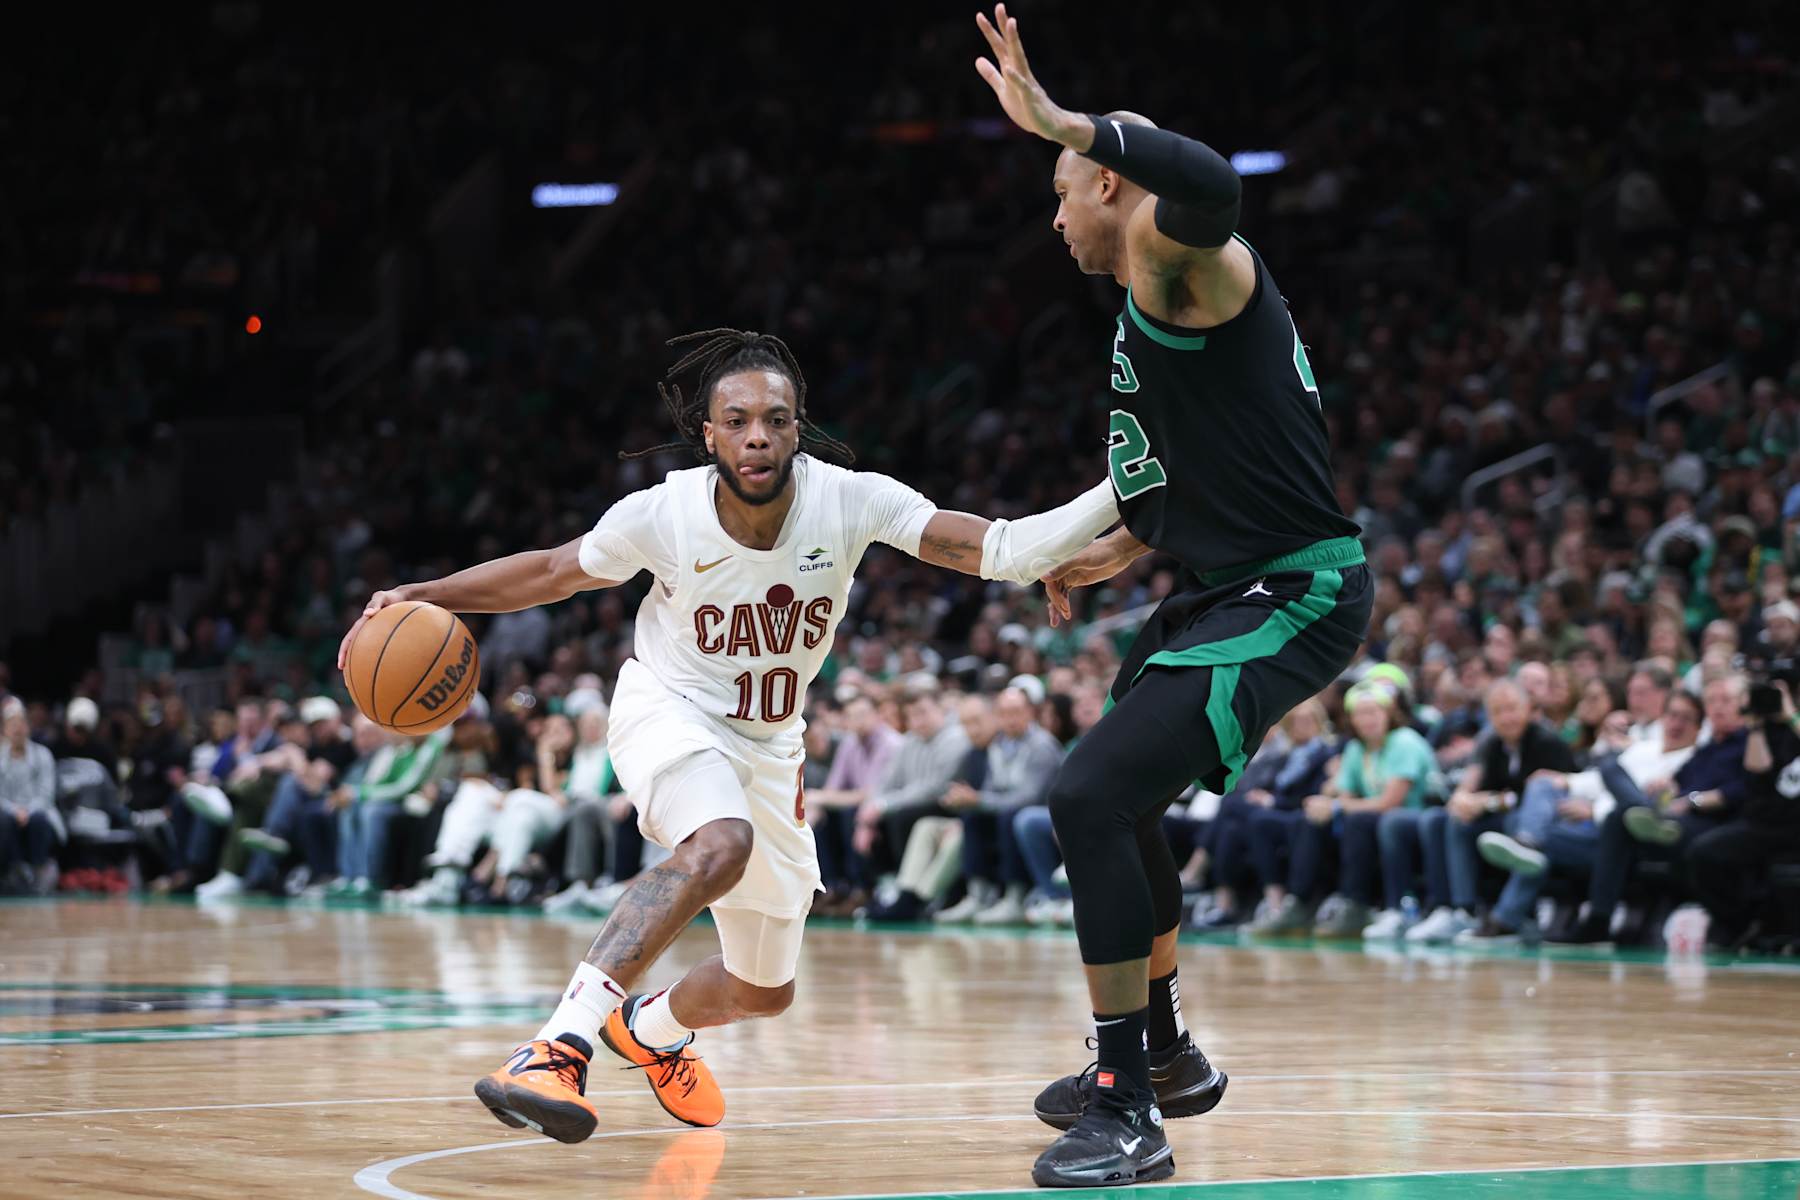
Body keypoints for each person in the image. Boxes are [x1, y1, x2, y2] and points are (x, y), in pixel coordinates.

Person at [340, 326, 1123, 1143]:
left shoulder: (851, 500)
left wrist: (1121, 489)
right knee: (719, 844)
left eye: (776, 419)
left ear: (797, 426)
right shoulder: (663, 513)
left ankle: (647, 1031)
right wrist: (426, 593)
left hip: (770, 743)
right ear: (708, 433)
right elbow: (548, 573)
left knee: (764, 989)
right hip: (668, 706)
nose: (758, 434)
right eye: (739, 419)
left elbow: (1002, 549)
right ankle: (556, 1045)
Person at [974, 7, 1369, 1183]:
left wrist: (1066, 119)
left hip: (1292, 593)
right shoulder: (1153, 299)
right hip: (1219, 585)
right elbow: (1196, 465)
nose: (1051, 219)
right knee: (1123, 803)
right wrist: (1119, 543)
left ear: (1105, 182)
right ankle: (1166, 1054)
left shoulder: (1183, 251)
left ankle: (1125, 1101)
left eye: (1059, 189)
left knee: (1087, 794)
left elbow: (1211, 181)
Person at [1474, 689, 1703, 943]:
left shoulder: (1694, 760)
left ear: (1699, 727)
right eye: (1672, 715)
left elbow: (1669, 806)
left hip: (1618, 835)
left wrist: (1594, 810)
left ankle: (1507, 915)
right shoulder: (1644, 750)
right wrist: (1565, 781)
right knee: (1540, 786)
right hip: (1586, 823)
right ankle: (1528, 843)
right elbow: (1595, 781)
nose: (1676, 724)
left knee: (1528, 825)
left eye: (1686, 718)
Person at [1548, 676, 1751, 945]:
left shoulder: (1749, 742)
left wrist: (1691, 800)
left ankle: (1643, 815)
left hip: (1710, 822)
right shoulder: (1708, 748)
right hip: (1670, 815)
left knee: (1617, 794)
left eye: (1725, 700)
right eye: (1712, 700)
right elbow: (1679, 781)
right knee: (1617, 814)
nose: (1718, 707)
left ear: (1744, 704)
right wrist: (1668, 786)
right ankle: (1599, 919)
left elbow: (1740, 790)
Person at [1424, 679, 1577, 944]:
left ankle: (1508, 918)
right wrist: (1464, 801)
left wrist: (1488, 802)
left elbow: (1543, 801)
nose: (1506, 717)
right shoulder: (1491, 743)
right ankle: (1464, 910)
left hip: (1552, 823)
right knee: (1455, 821)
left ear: (1528, 708)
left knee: (1521, 827)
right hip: (1506, 819)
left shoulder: (1548, 742)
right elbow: (1466, 788)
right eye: (1498, 711)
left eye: (1512, 708)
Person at [936, 687, 1063, 925]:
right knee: (972, 816)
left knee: (1009, 815)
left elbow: (1029, 797)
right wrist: (966, 800)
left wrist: (980, 799)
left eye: (1016, 712)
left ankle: (1014, 897)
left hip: (1044, 818)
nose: (1010, 719)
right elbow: (991, 790)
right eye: (1003, 713)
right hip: (1008, 812)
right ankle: (978, 894)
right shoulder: (997, 745)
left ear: (1030, 713)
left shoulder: (1042, 746)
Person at [1687, 680, 1800, 947]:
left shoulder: (1792, 721)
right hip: (1765, 822)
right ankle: (1741, 925)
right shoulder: (1775, 727)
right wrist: (1758, 726)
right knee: (1702, 853)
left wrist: (1791, 715)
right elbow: (1756, 769)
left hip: (1796, 825)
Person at [807, 694, 902, 915]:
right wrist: (815, 809)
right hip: (864, 808)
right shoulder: (850, 742)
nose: (857, 721)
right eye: (851, 716)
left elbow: (871, 793)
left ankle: (863, 888)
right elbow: (833, 788)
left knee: (849, 813)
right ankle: (834, 886)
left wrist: (821, 798)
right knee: (824, 817)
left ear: (878, 715)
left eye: (862, 714)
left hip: (888, 810)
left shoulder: (890, 743)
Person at [0, 698, 60, 894]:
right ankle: (15, 870)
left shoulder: (44, 755)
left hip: (37, 812)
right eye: (12, 724)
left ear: (28, 727)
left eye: (21, 723)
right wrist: (14, 810)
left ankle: (38, 871)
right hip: (7, 814)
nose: (17, 729)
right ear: (5, 729)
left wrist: (27, 811)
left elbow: (46, 795)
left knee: (39, 820)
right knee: (4, 821)